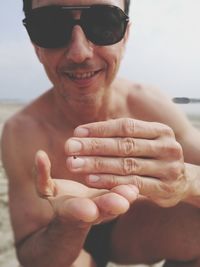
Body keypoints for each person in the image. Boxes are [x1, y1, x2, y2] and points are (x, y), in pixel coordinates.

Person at [1, 0, 200, 266]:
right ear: (36, 46)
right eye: (50, 27)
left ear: (125, 35)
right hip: (59, 238)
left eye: (104, 23)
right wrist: (70, 224)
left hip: (136, 226)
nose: (79, 53)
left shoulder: (153, 107)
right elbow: (30, 252)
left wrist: (188, 181)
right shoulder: (20, 133)